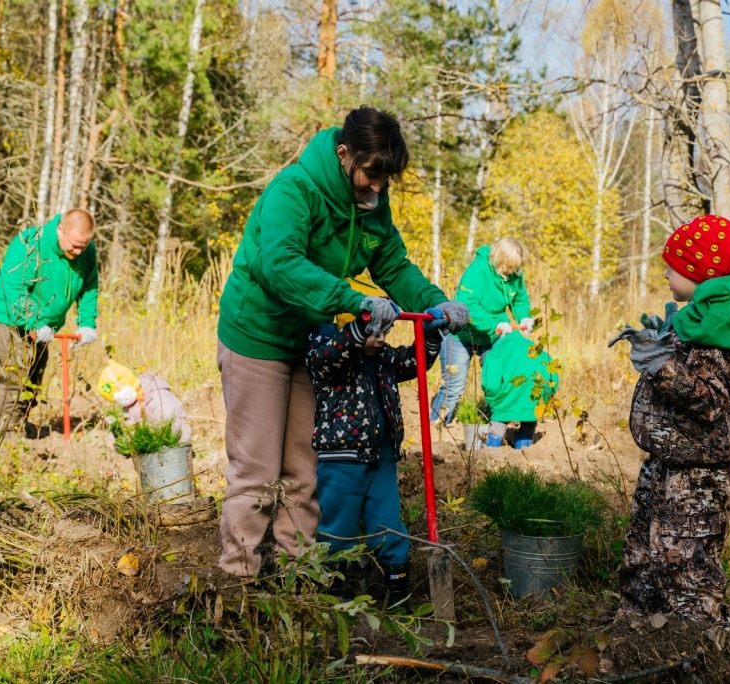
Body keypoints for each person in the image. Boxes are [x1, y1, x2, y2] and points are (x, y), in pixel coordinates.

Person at [215, 106, 469, 579]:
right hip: (258, 335)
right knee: (256, 470)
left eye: (386, 179)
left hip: (314, 344)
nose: (377, 187)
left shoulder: (372, 202)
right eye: (372, 174)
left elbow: (392, 265)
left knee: (305, 470)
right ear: (343, 153)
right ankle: (239, 579)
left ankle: (299, 576)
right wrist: (355, 302)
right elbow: (281, 265)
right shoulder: (295, 191)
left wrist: (438, 304)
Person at [608, 214, 730, 630]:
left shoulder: (718, 330)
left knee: (687, 558)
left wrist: (661, 365)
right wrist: (667, 343)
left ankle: (696, 641)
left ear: (699, 273)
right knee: (643, 548)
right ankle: (636, 626)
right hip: (667, 458)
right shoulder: (699, 317)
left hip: (696, 474)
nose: (665, 273)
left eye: (674, 266)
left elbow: (710, 401)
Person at [306, 308, 448, 607]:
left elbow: (413, 363)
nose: (380, 339)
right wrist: (360, 327)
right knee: (338, 523)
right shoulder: (327, 352)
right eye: (373, 332)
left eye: (384, 331)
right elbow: (330, 356)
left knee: (388, 523)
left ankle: (398, 590)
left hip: (382, 455)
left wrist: (432, 333)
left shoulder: (383, 358)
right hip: (342, 456)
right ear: (352, 329)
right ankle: (332, 588)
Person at [0, 209, 98, 434]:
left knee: (33, 381)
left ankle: (21, 428)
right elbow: (13, 289)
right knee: (14, 380)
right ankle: (6, 440)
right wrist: (33, 322)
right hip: (5, 317)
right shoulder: (31, 243)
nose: (78, 251)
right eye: (74, 245)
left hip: (42, 325)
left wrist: (87, 323)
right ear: (60, 229)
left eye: (84, 246)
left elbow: (90, 285)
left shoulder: (86, 251)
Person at [430, 238, 533, 424]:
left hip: (494, 336)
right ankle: (435, 429)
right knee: (453, 387)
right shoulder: (478, 270)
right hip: (461, 333)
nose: (509, 272)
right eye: (506, 267)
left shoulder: (515, 274)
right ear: (497, 258)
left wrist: (524, 317)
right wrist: (495, 324)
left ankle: (491, 423)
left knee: (498, 379)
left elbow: (519, 300)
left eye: (514, 268)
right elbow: (467, 306)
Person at [480, 329, 558, 448]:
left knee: (499, 421)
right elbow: (553, 373)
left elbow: (491, 386)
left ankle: (492, 454)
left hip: (513, 390)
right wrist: (545, 398)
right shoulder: (529, 345)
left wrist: (494, 403)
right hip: (539, 389)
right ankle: (523, 452)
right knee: (529, 418)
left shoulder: (494, 353)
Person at [98, 360, 192, 443]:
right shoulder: (129, 406)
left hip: (175, 451)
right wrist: (117, 436)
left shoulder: (159, 399)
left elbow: (177, 429)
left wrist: (138, 431)